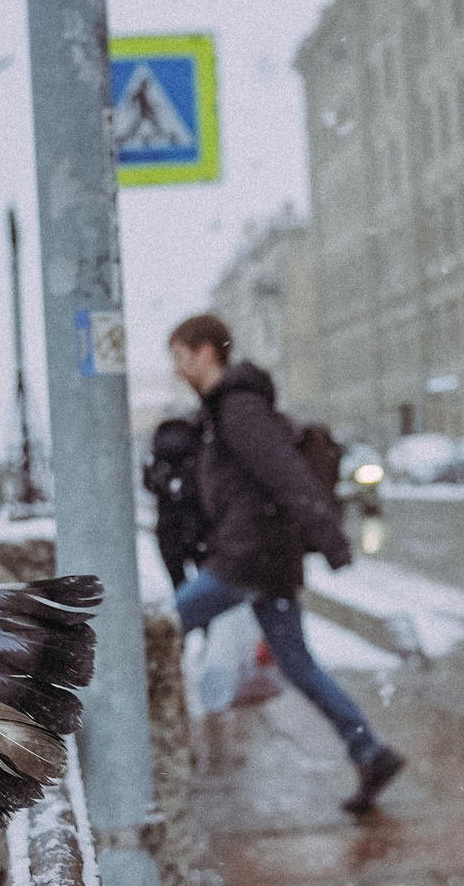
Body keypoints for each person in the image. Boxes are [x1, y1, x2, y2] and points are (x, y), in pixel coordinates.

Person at [167, 313, 407, 814]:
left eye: (180, 356)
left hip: (245, 560)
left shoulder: (238, 410)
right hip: (262, 561)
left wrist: (330, 536)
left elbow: (286, 475)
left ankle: (128, 751)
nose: (176, 368)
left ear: (206, 351)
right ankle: (370, 751)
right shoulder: (224, 410)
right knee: (299, 665)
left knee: (154, 629)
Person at [143, 415, 207, 592]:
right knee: (204, 581)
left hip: (169, 530)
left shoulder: (160, 460)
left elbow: (149, 483)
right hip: (199, 528)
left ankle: (191, 613)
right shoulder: (196, 457)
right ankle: (198, 614)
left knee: (179, 584)